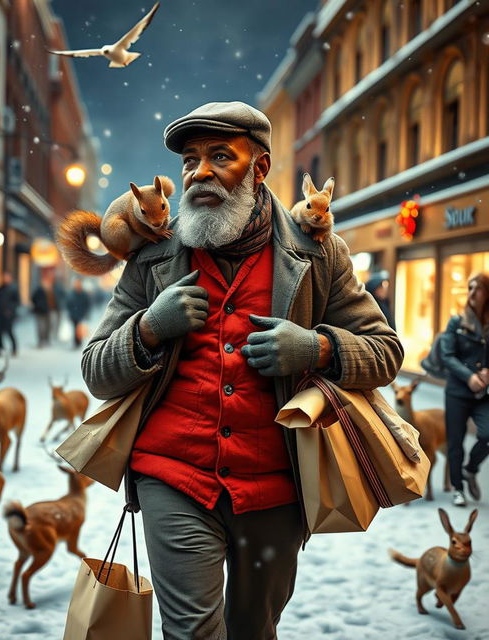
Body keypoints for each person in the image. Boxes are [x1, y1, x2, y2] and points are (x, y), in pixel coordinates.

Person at [81, 101, 403, 639]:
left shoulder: (318, 254)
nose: (199, 172)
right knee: (191, 632)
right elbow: (96, 371)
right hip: (172, 475)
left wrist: (317, 348)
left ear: (259, 168)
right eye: (190, 160)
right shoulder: (153, 257)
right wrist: (148, 329)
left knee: (254, 628)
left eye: (220, 156)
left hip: (276, 486)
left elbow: (386, 352)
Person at [440, 272, 489, 507]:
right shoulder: (457, 322)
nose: (471, 293)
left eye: (476, 288)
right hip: (458, 392)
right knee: (455, 442)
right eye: (469, 288)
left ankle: (471, 469)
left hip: (483, 395)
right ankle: (458, 488)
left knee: (487, 434)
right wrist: (469, 376)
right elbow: (447, 356)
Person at [0, 271, 19, 357]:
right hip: (0, 315)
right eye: (4, 277)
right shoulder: (0, 288)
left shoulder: (13, 289)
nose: (5, 279)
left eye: (7, 277)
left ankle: (14, 349)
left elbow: (17, 302)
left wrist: (10, 311)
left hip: (8, 316)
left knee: (9, 332)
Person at [66, 278, 91, 348]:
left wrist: (86, 312)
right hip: (73, 314)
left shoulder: (83, 294)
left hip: (81, 314)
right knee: (75, 329)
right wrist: (70, 312)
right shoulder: (71, 293)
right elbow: (68, 303)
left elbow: (87, 304)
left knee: (79, 329)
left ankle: (79, 342)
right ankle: (76, 343)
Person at [31, 279, 55, 347]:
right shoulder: (39, 290)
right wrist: (38, 305)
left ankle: (46, 340)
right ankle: (41, 341)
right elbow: (33, 298)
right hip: (40, 311)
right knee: (41, 327)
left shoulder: (50, 291)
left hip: (48, 311)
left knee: (48, 327)